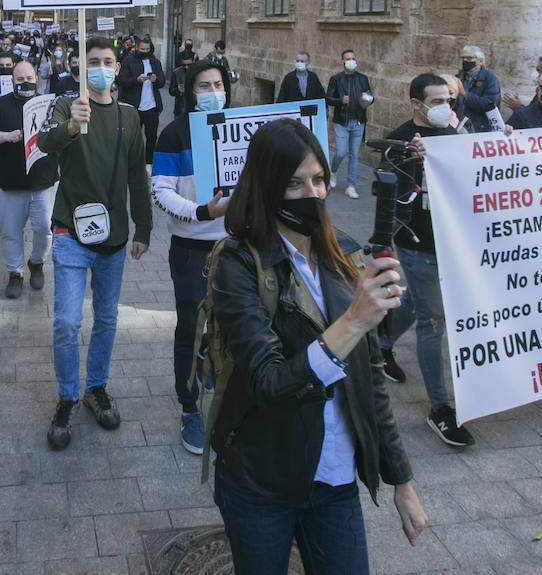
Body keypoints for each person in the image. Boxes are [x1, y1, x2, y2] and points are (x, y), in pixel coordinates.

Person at [208, 118, 426, 573]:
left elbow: (368, 383)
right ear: (266, 187)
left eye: (319, 179)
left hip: (336, 480)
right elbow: (269, 382)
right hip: (262, 482)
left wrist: (400, 479)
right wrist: (353, 320)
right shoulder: (239, 265)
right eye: (293, 183)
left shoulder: (343, 255)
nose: (312, 193)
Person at [37, 38, 152, 451]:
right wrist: (70, 126)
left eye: (107, 62)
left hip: (115, 236)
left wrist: (144, 228)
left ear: (117, 69)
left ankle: (96, 388)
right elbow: (44, 143)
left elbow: (138, 177)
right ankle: (68, 395)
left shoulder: (130, 116)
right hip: (70, 231)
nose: (101, 67)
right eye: (93, 62)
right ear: (81, 70)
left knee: (106, 319)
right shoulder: (67, 107)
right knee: (67, 322)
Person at [375, 74, 476, 446]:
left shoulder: (459, 133)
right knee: (433, 320)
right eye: (436, 101)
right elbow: (387, 190)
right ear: (416, 104)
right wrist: (409, 163)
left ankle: (380, 342)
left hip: (452, 240)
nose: (444, 107)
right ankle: (440, 409)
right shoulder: (401, 139)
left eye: (448, 99)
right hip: (417, 242)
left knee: (418, 302)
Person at [151, 60, 230, 455]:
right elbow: (161, 191)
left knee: (232, 326)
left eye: (218, 84)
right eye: (204, 85)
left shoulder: (238, 128)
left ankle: (219, 381)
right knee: (190, 330)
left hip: (235, 248)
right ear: (188, 91)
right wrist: (203, 213)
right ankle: (189, 408)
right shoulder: (174, 134)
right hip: (192, 250)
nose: (213, 91)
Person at [0, 60, 59, 298]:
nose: (25, 83)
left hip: (43, 182)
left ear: (37, 79)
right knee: (11, 232)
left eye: (29, 78)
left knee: (44, 228)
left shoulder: (49, 105)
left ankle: (37, 262)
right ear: (12, 82)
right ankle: (15, 273)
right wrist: (6, 136)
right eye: (20, 79)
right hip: (7, 182)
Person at [325, 49, 373, 198]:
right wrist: (340, 100)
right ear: (342, 62)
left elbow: (370, 95)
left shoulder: (362, 79)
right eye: (348, 58)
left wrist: (367, 99)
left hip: (358, 121)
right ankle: (333, 171)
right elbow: (328, 98)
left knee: (354, 154)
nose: (351, 61)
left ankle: (350, 185)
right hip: (342, 122)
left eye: (353, 58)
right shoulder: (336, 79)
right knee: (340, 152)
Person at [118, 37, 166, 163]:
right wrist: (136, 80)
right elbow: (120, 80)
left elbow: (162, 82)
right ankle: (132, 162)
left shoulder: (155, 62)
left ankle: (149, 163)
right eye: (142, 49)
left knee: (152, 137)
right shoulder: (128, 61)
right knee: (133, 138)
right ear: (137, 48)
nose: (145, 51)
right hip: (134, 107)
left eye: (147, 49)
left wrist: (156, 80)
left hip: (152, 107)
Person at [456, 45, 502, 132]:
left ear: (480, 61)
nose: (465, 61)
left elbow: (490, 105)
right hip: (460, 126)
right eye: (463, 58)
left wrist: (465, 95)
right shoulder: (458, 78)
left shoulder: (490, 79)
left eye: (469, 58)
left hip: (480, 128)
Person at [167, 50, 195, 117]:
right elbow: (171, 91)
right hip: (180, 110)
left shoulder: (198, 72)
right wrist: (178, 90)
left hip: (195, 109)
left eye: (189, 65)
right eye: (184, 65)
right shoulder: (176, 73)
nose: (186, 67)